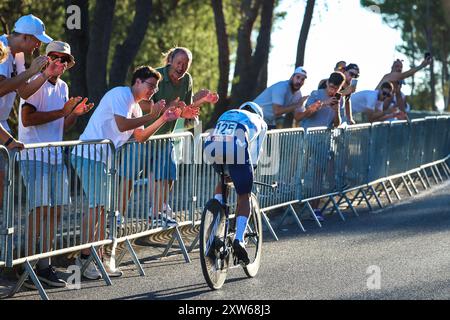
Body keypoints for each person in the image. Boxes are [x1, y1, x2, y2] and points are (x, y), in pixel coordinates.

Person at [71, 66, 181, 279]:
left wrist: (161, 119)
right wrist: (152, 115)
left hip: (103, 160)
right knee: (96, 208)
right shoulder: (120, 94)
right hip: (88, 155)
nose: (153, 91)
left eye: (155, 88)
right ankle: (85, 259)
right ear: (137, 81)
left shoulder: (138, 109)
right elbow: (122, 126)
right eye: (150, 85)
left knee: (103, 210)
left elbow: (140, 137)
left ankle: (98, 258)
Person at [17, 41, 94, 289]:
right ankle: (27, 267)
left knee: (56, 211)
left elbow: (62, 126)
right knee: (38, 212)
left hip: (54, 157)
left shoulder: (63, 86)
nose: (60, 62)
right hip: (34, 157)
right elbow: (27, 120)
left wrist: (73, 113)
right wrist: (63, 112)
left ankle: (44, 266)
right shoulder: (36, 84)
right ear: (46, 59)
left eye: (64, 59)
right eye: (55, 57)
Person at [139, 47, 218, 223]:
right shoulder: (156, 76)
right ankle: (139, 214)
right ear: (170, 61)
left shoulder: (187, 80)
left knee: (170, 175)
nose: (182, 67)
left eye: (186, 64)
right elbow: (140, 104)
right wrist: (164, 108)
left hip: (167, 135)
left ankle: (159, 209)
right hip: (145, 134)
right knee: (140, 176)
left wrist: (203, 101)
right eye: (179, 63)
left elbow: (185, 108)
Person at [0, 14, 61, 217]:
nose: (38, 45)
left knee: (3, 184)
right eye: (36, 40)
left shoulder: (17, 55)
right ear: (25, 37)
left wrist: (44, 75)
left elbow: (24, 91)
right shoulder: (1, 48)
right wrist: (30, 71)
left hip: (2, 124)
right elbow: (1, 88)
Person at [204, 101, 267, 264]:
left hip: (211, 145)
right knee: (244, 194)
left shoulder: (229, 113)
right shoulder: (260, 122)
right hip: (236, 147)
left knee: (223, 179)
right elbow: (254, 155)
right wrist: (247, 176)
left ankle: (216, 212)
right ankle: (239, 239)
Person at [300, 72, 346, 222]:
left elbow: (337, 123)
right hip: (306, 137)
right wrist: (324, 103)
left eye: (336, 88)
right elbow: (307, 113)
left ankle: (315, 208)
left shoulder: (339, 99)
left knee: (319, 174)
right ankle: (296, 204)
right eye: (331, 86)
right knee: (299, 171)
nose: (333, 90)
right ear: (327, 83)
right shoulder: (316, 94)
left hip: (323, 140)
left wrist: (336, 110)